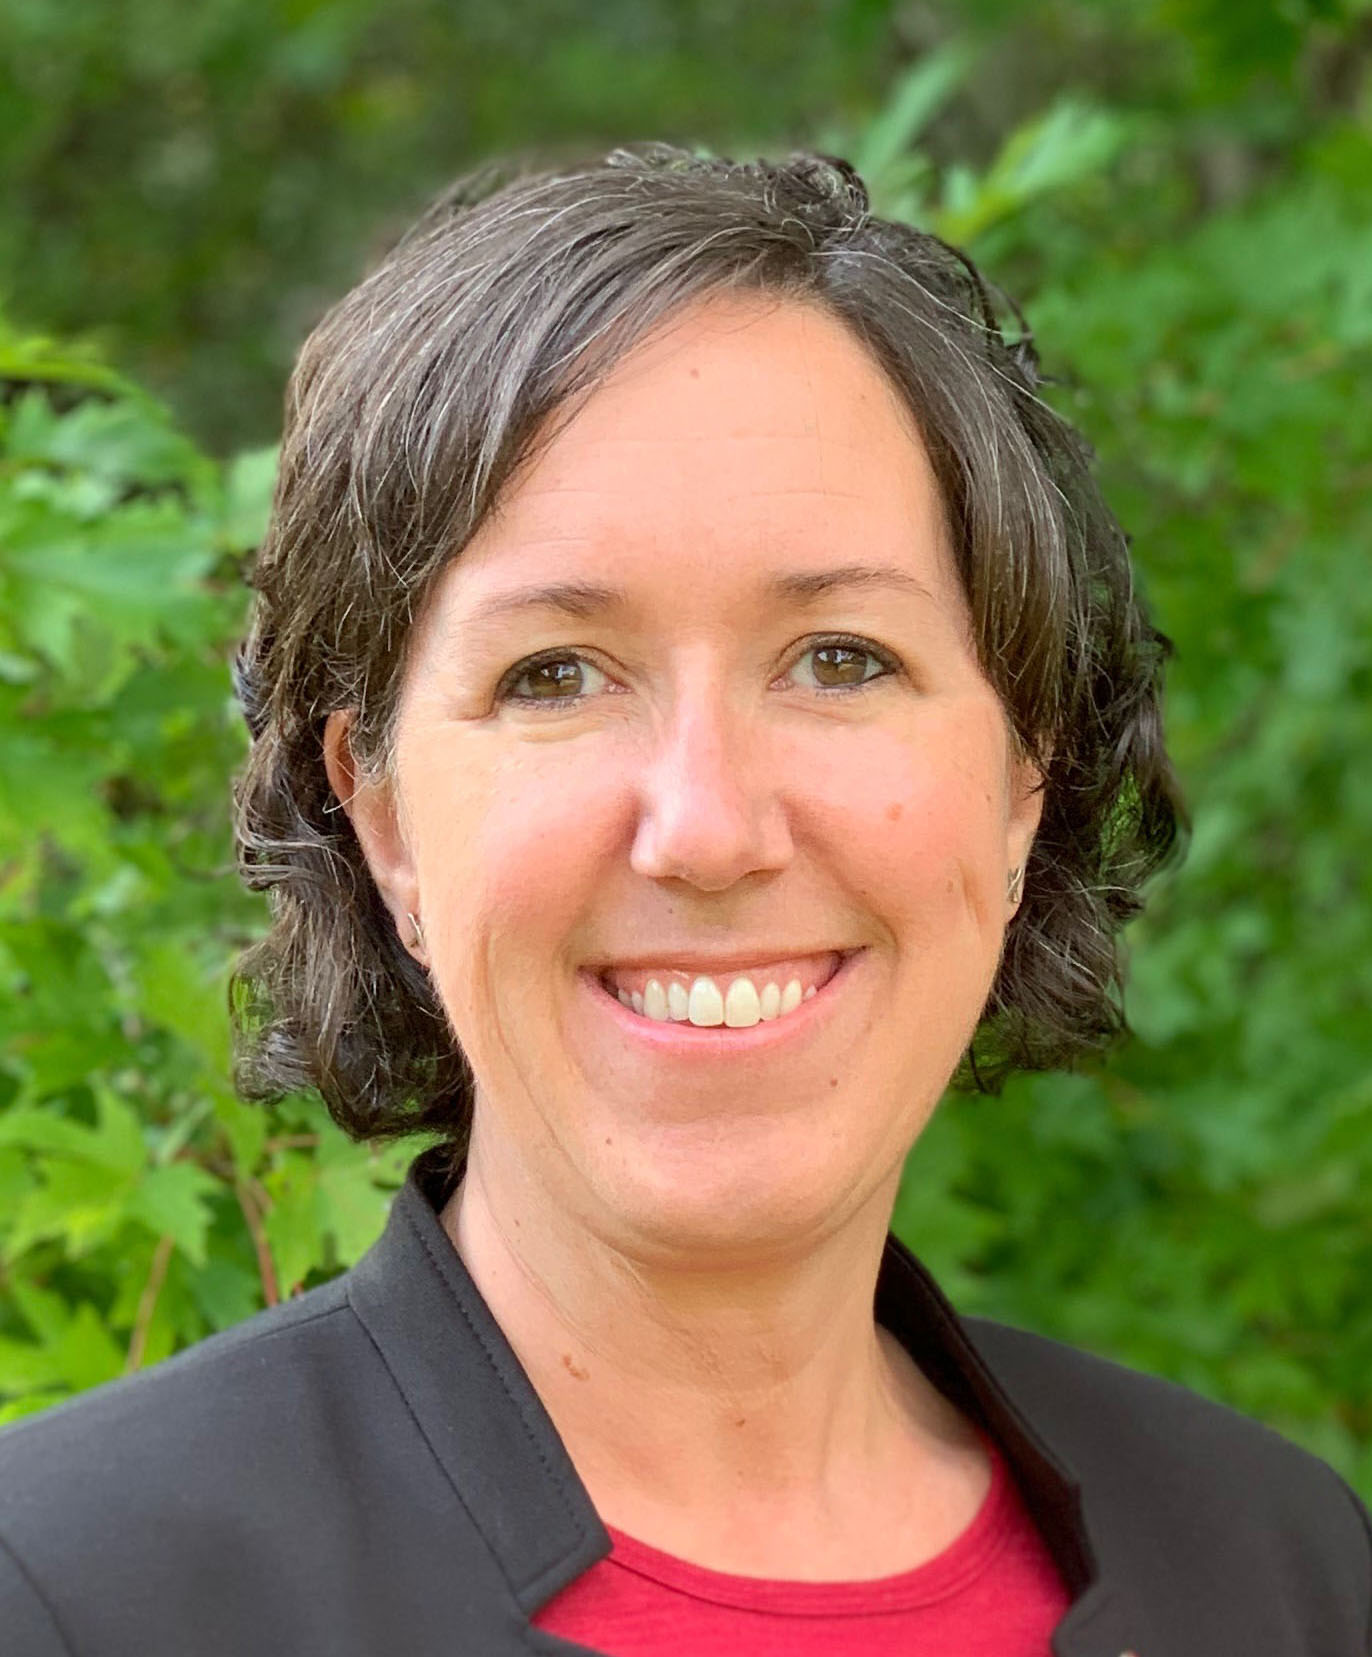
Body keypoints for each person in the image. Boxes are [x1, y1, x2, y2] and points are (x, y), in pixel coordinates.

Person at [0, 145, 1368, 1657]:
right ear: (381, 817)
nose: (709, 828)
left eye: (842, 657)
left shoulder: (1282, 1570)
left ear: (1022, 776)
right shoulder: (71, 1591)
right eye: (557, 676)